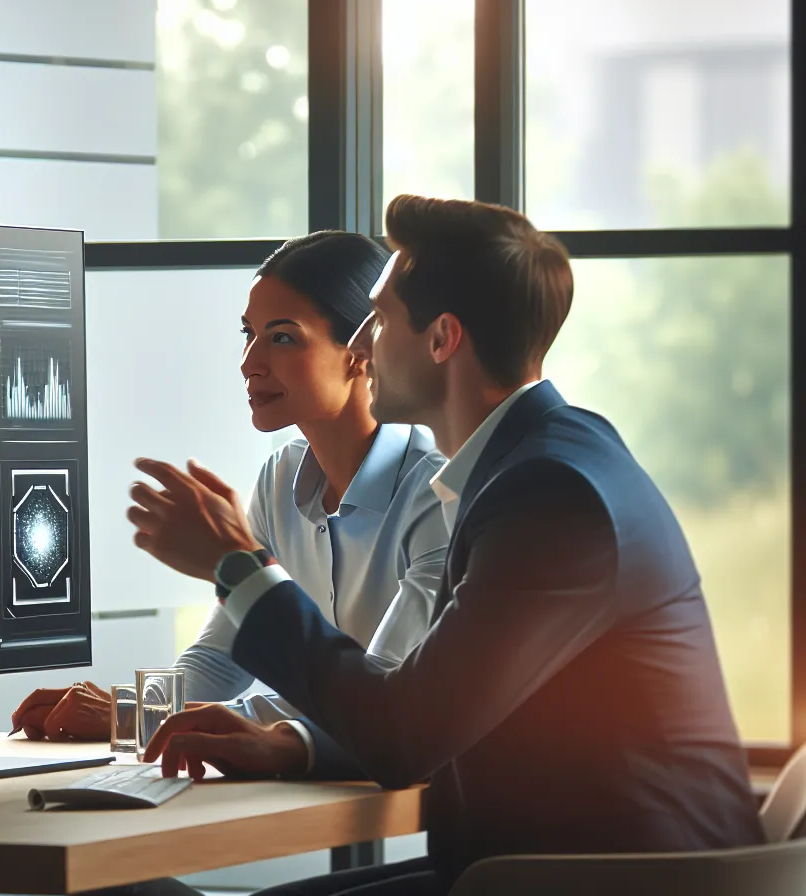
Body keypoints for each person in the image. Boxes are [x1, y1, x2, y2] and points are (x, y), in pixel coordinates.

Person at [132, 196, 763, 895]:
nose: (362, 346)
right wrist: (290, 742)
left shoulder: (550, 496)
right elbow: (428, 707)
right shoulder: (538, 462)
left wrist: (238, 567)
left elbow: (405, 733)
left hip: (607, 880)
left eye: (378, 319)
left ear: (442, 340)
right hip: (540, 868)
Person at [10, 232, 448, 766]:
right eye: (249, 334)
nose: (249, 362)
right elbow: (218, 664)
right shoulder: (280, 478)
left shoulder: (438, 493)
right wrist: (124, 710)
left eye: (283, 338)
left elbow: (383, 692)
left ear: (362, 351)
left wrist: (138, 717)